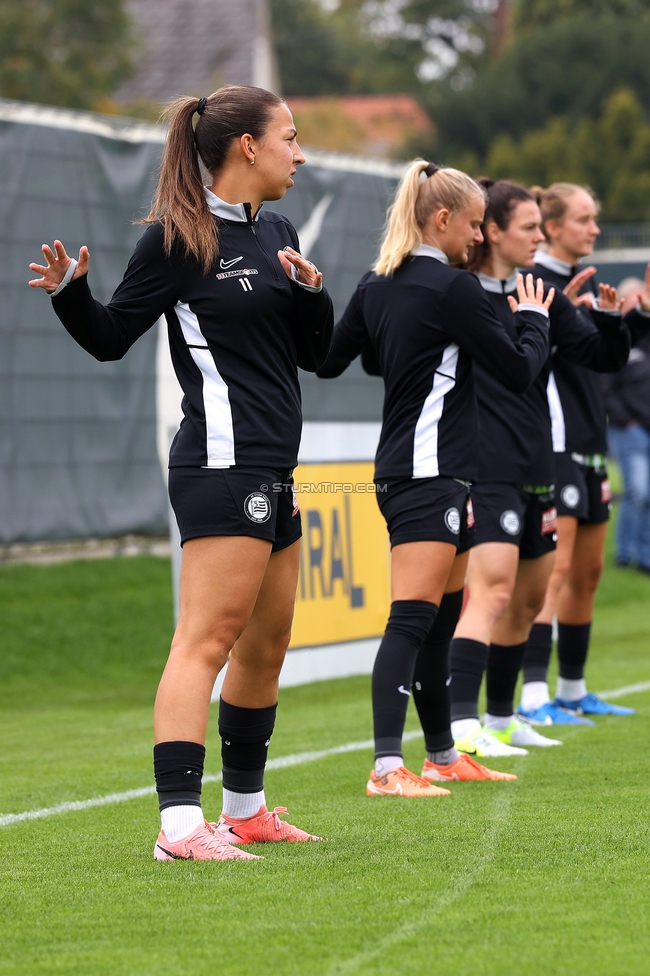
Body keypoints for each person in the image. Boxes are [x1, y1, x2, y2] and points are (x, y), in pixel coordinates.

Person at [28, 86, 334, 861]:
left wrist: (312, 293)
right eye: (290, 138)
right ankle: (177, 829)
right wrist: (69, 295)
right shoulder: (175, 240)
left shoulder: (279, 231)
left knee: (266, 645)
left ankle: (246, 812)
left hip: (275, 469)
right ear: (248, 147)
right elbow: (110, 337)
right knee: (206, 641)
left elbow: (314, 355)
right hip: (219, 466)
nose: (300, 154)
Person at [318, 160, 552, 794]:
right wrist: (534, 319)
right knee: (412, 619)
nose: (478, 237)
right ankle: (386, 767)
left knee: (441, 621)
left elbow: (336, 360)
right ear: (442, 219)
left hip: (427, 472)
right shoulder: (453, 289)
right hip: (426, 473)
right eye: (473, 225)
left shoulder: (377, 282)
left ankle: (443, 756)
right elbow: (517, 371)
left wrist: (314, 300)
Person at [448, 180, 631, 757]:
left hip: (537, 463)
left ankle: (503, 719)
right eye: (528, 227)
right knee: (493, 593)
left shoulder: (540, 293)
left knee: (527, 601)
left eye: (537, 226)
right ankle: (461, 727)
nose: (538, 237)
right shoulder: (460, 294)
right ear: (492, 231)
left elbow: (602, 356)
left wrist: (612, 319)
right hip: (486, 464)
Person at [518, 185, 649, 723]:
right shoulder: (534, 283)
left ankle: (573, 689)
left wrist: (634, 317)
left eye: (596, 219)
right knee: (554, 571)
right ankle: (532, 696)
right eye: (584, 219)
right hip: (556, 443)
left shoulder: (587, 282)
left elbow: (601, 357)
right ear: (551, 227)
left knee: (587, 573)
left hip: (592, 442)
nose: (595, 229)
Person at [603, 277, 650, 574]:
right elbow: (606, 389)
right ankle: (624, 552)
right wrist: (626, 421)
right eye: (635, 300)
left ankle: (645, 557)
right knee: (637, 493)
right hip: (630, 430)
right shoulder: (617, 340)